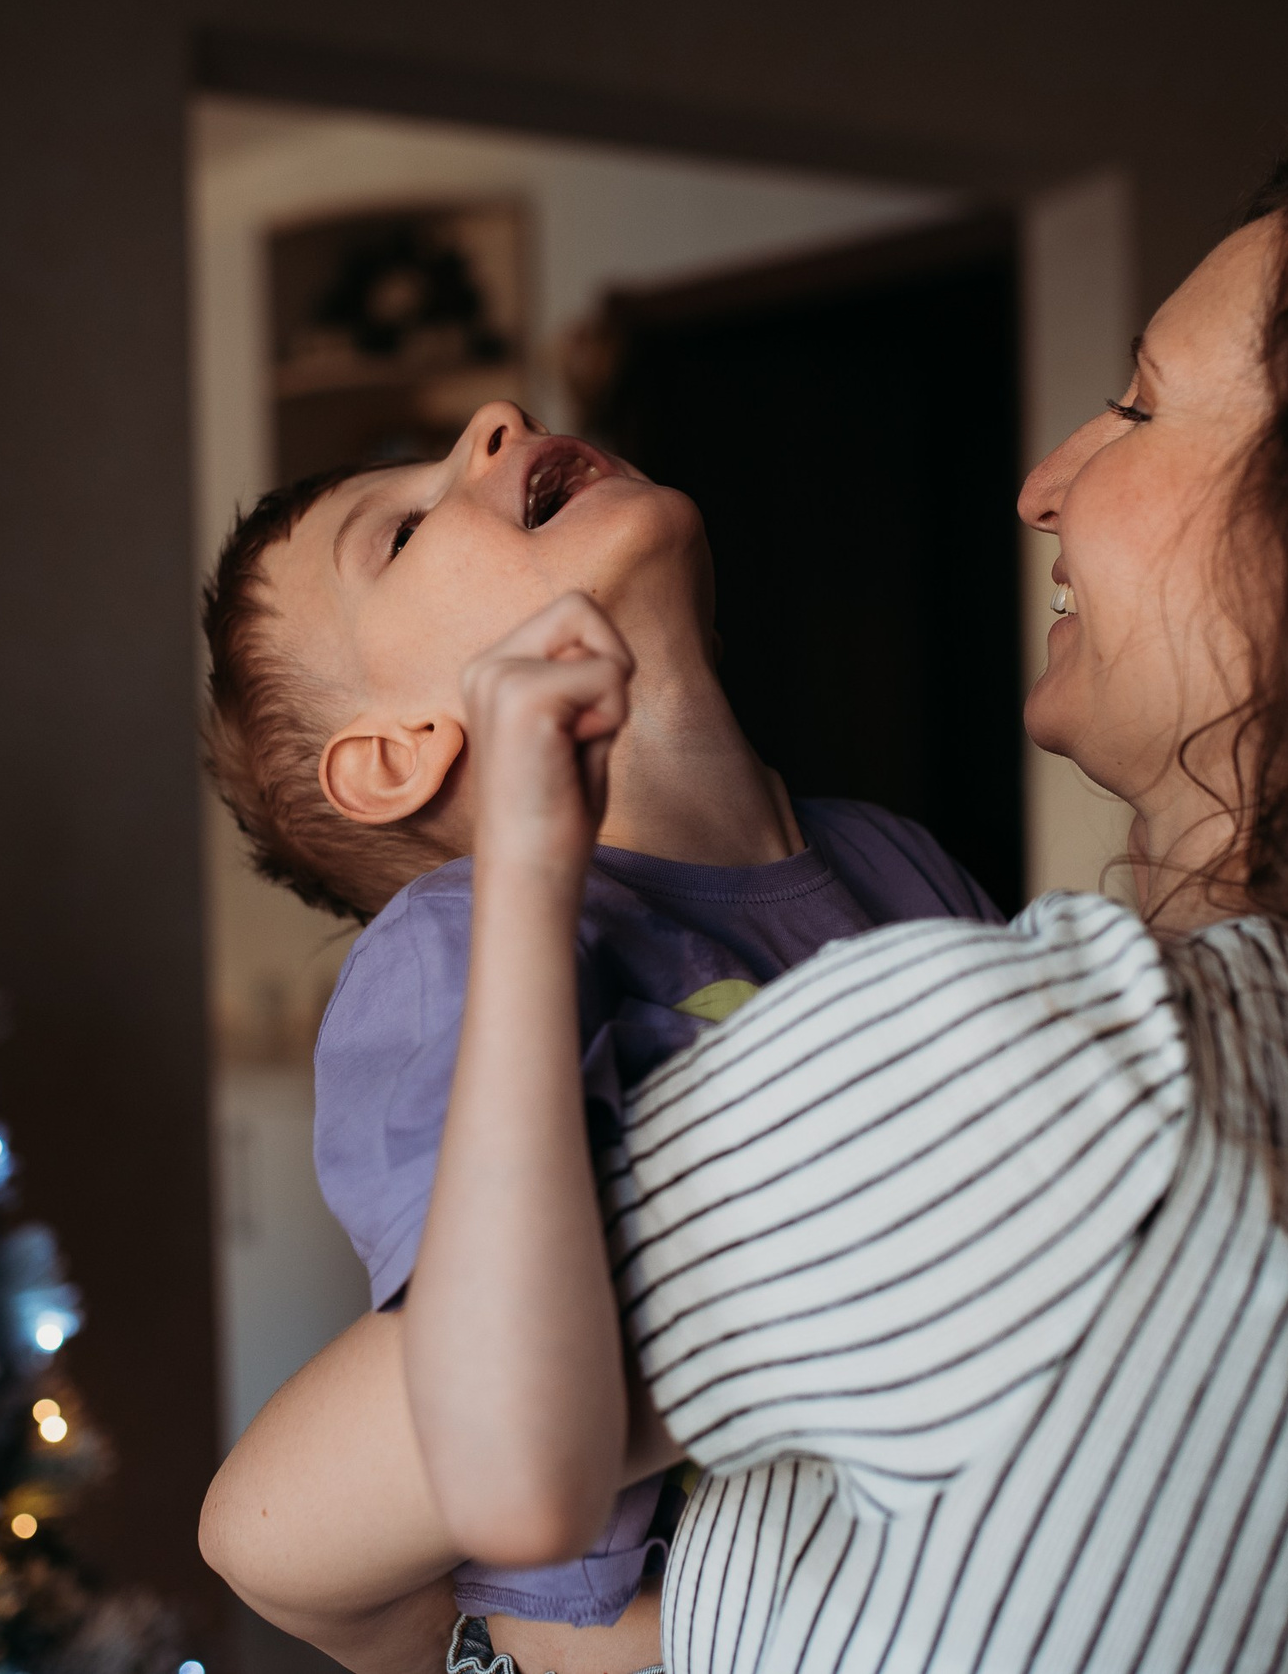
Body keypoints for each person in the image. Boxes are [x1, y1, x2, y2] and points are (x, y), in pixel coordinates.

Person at [205, 85, 1288, 1674]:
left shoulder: (1031, 1053)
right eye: (405, 527)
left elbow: (288, 1528)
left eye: (1144, 401)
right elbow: (430, 1480)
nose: (1043, 480)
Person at [195, 406, 999, 1674]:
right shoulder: (450, 943)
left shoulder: (895, 860)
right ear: (402, 753)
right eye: (402, 531)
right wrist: (530, 871)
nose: (493, 420)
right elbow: (496, 1384)